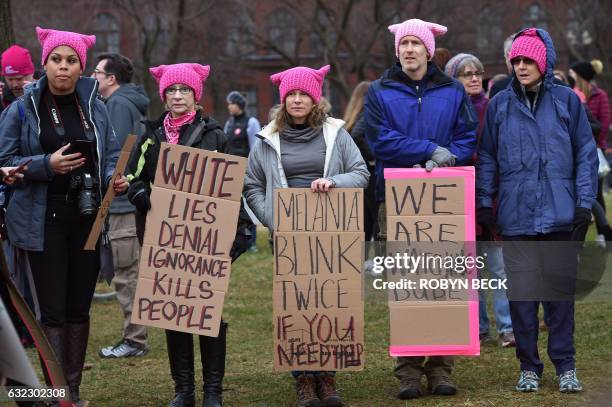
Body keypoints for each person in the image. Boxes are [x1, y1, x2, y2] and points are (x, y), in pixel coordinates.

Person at [0, 27, 126, 405]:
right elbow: (4, 162)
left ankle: (72, 391)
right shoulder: (21, 108)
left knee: (78, 307)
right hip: (42, 221)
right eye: (56, 59)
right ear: (45, 64)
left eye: (71, 61)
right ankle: (55, 394)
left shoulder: (95, 107)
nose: (63, 68)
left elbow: (111, 154)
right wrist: (45, 164)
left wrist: (112, 179)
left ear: (81, 67)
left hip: (87, 220)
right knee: (52, 312)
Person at [476, 28, 597, 393]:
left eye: (528, 60)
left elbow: (585, 155)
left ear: (543, 63)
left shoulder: (567, 102)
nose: (521, 66)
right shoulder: (499, 104)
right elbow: (487, 157)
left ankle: (566, 366)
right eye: (516, 60)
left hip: (560, 214)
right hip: (515, 217)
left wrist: (583, 205)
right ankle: (528, 366)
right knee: (523, 299)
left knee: (559, 300)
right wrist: (485, 202)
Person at [364, 18, 477, 400]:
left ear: (429, 50)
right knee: (407, 284)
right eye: (404, 43)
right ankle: (409, 372)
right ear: (397, 51)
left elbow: (467, 136)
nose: (409, 49)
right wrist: (427, 150)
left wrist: (447, 159)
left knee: (443, 282)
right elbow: (379, 139)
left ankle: (441, 368)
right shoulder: (380, 91)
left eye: (416, 43)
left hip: (445, 194)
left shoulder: (453, 91)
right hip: (397, 197)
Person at [126, 63, 251, 407]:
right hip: (164, 236)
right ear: (163, 96)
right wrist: (144, 197)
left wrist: (238, 230)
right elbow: (133, 177)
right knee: (172, 310)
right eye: (171, 91)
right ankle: (184, 390)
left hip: (206, 239)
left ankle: (213, 390)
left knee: (208, 312)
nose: (177, 96)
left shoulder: (215, 134)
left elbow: (231, 185)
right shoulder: (150, 134)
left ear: (196, 97)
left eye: (184, 90)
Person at [244, 64, 369, 407]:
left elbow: (361, 173)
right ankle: (303, 379)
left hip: (331, 233)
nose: (297, 100)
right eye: (291, 95)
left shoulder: (336, 134)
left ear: (316, 100)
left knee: (328, 303)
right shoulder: (267, 138)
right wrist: (271, 216)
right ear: (283, 101)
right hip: (289, 234)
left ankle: (327, 378)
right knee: (296, 306)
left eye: (304, 94)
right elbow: (252, 184)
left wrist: (334, 182)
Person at [445, 53, 515, 348]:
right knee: (468, 267)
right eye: (466, 74)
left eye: (477, 73)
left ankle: (507, 327)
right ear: (454, 79)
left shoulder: (493, 108)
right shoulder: (449, 113)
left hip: (493, 195)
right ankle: (478, 327)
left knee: (498, 266)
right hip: (460, 194)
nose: (474, 78)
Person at [92, 53, 151, 359]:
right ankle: (136, 336)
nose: (93, 76)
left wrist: (110, 189)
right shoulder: (129, 102)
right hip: (128, 200)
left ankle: (135, 340)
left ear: (111, 79)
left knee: (126, 273)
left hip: (121, 202)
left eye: (97, 72)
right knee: (129, 270)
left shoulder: (116, 105)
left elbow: (118, 154)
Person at [569, 60, 610, 226]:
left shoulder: (600, 95)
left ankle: (603, 234)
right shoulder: (572, 94)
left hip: (595, 148)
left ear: (580, 76)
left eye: (573, 73)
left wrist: (596, 144)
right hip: (577, 149)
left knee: (597, 193)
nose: (570, 76)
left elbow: (604, 123)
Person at [224, 90, 261, 252]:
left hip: (246, 170)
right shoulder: (229, 123)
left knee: (248, 204)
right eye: (229, 104)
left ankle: (251, 242)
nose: (230, 107)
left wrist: (252, 170)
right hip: (231, 169)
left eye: (232, 103)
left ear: (240, 105)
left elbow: (255, 147)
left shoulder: (251, 122)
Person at [343, 81, 378, 242]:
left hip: (355, 173)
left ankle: (362, 259)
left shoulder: (351, 117)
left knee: (365, 218)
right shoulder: (367, 113)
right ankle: (378, 260)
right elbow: (358, 135)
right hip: (369, 172)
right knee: (377, 215)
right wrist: (371, 158)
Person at [1, 45, 35, 112]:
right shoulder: (4, 98)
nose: (14, 85)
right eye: (10, 79)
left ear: (31, 74)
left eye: (19, 79)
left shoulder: (49, 90)